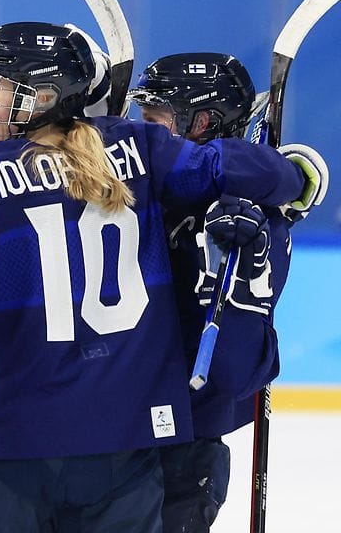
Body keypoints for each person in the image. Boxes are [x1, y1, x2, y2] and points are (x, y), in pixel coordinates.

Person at [0, 22, 320, 532]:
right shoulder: (140, 147)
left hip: (15, 442)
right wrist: (296, 177)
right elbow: (222, 166)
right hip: (129, 441)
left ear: (40, 95)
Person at [128, 52, 328, 532]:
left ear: (201, 123)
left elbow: (234, 371)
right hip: (114, 430)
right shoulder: (146, 187)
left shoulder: (250, 221)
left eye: (154, 121)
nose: (142, 136)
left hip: (183, 444)